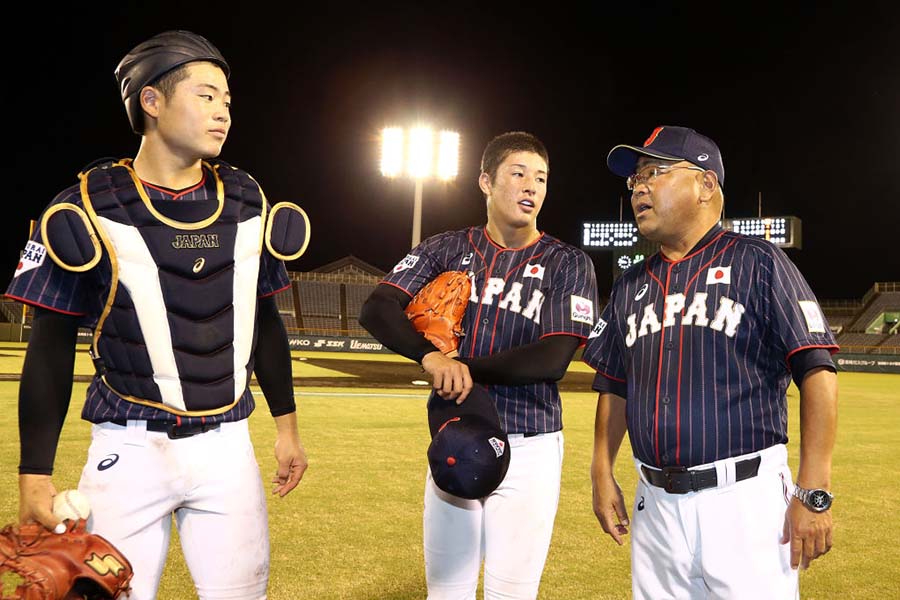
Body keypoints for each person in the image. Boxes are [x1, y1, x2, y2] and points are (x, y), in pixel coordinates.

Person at [4, 30, 309, 600]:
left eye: (227, 102)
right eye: (206, 96)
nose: (223, 113)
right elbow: (48, 346)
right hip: (131, 449)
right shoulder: (84, 206)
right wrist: (34, 476)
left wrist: (287, 429)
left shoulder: (248, 202)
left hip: (228, 447)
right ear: (151, 101)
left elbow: (266, 322)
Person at [583, 125, 839, 599]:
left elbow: (817, 370)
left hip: (744, 501)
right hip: (654, 503)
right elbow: (613, 383)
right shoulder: (629, 284)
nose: (639, 186)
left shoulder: (759, 261)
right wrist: (602, 470)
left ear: (705, 185)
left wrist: (814, 491)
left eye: (655, 172)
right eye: (634, 179)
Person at [359, 131, 600, 599]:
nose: (531, 186)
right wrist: (430, 356)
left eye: (541, 178)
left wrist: (461, 364)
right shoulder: (446, 248)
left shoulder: (567, 263)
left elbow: (552, 360)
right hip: (455, 436)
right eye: (518, 173)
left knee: (512, 594)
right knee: (446, 592)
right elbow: (377, 307)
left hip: (529, 443)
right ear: (486, 181)